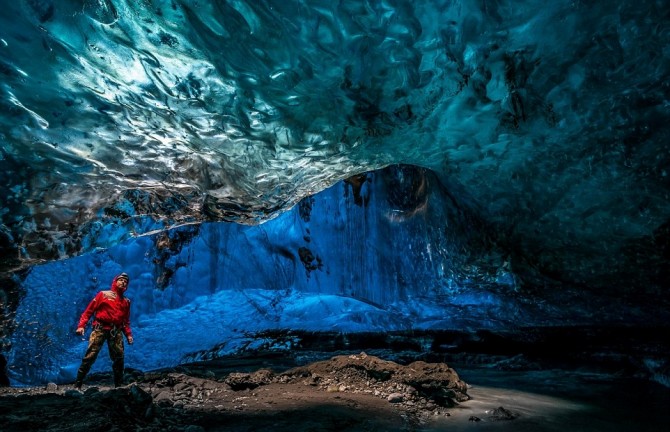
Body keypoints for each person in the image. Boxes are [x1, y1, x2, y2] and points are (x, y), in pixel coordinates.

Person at [74, 272, 134, 389]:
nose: (123, 282)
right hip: (100, 329)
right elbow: (88, 312)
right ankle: (78, 385)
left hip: (116, 331)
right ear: (115, 281)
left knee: (119, 358)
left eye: (125, 281)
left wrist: (128, 334)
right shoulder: (103, 294)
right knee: (90, 356)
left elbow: (125, 321)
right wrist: (81, 326)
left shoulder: (126, 302)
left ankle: (118, 386)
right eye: (121, 280)